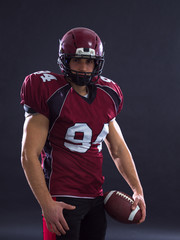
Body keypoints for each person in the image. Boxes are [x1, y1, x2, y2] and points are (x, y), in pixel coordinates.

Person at [20, 27, 146, 240]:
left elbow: (117, 148)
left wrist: (138, 190)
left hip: (95, 197)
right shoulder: (49, 92)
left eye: (89, 62)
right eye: (77, 60)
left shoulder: (108, 94)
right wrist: (46, 203)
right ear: (65, 61)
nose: (83, 68)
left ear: (97, 63)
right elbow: (28, 154)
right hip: (62, 198)